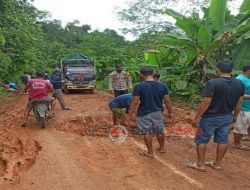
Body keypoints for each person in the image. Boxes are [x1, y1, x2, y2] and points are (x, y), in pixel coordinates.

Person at [187, 60, 244, 172]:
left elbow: (206, 101)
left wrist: (197, 118)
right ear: (231, 71)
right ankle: (217, 164)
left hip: (209, 117)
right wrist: (235, 117)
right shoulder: (239, 84)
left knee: (201, 140)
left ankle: (200, 165)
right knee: (223, 140)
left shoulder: (212, 83)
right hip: (227, 116)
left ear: (218, 70)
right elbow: (239, 102)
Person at [128, 66, 173, 157]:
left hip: (143, 113)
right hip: (158, 112)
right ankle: (161, 148)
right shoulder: (163, 85)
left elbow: (135, 101)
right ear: (153, 74)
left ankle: (150, 152)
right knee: (159, 130)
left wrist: (130, 113)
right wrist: (170, 112)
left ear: (141, 75)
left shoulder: (139, 86)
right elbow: (167, 101)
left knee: (146, 132)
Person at [234, 65, 250, 150]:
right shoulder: (239, 80)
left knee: (245, 124)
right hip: (243, 107)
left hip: (248, 107)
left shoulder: (248, 79)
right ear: (248, 71)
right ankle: (237, 143)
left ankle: (247, 136)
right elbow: (236, 95)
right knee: (240, 126)